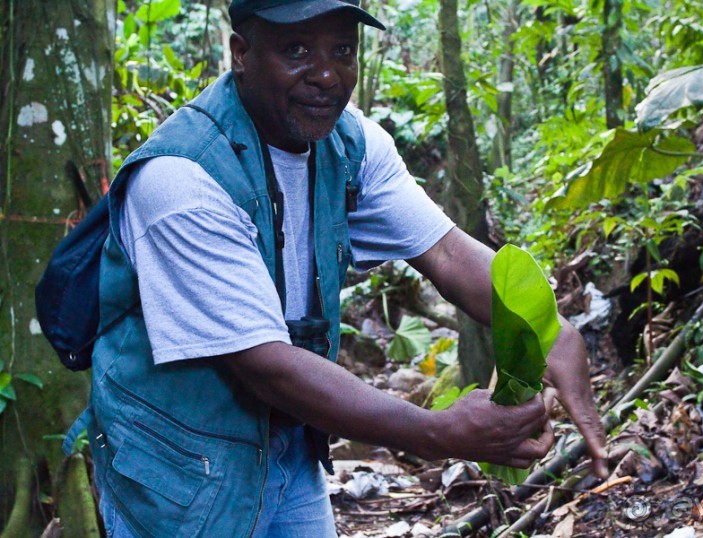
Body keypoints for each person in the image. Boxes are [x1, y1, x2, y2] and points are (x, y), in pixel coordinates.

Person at [66, 1, 606, 536]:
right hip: (181, 463)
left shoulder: (350, 143)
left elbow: (445, 252)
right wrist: (437, 432)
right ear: (241, 54)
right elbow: (266, 363)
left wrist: (548, 328)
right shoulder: (180, 179)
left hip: (290, 442)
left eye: (343, 50)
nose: (327, 74)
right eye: (296, 49)